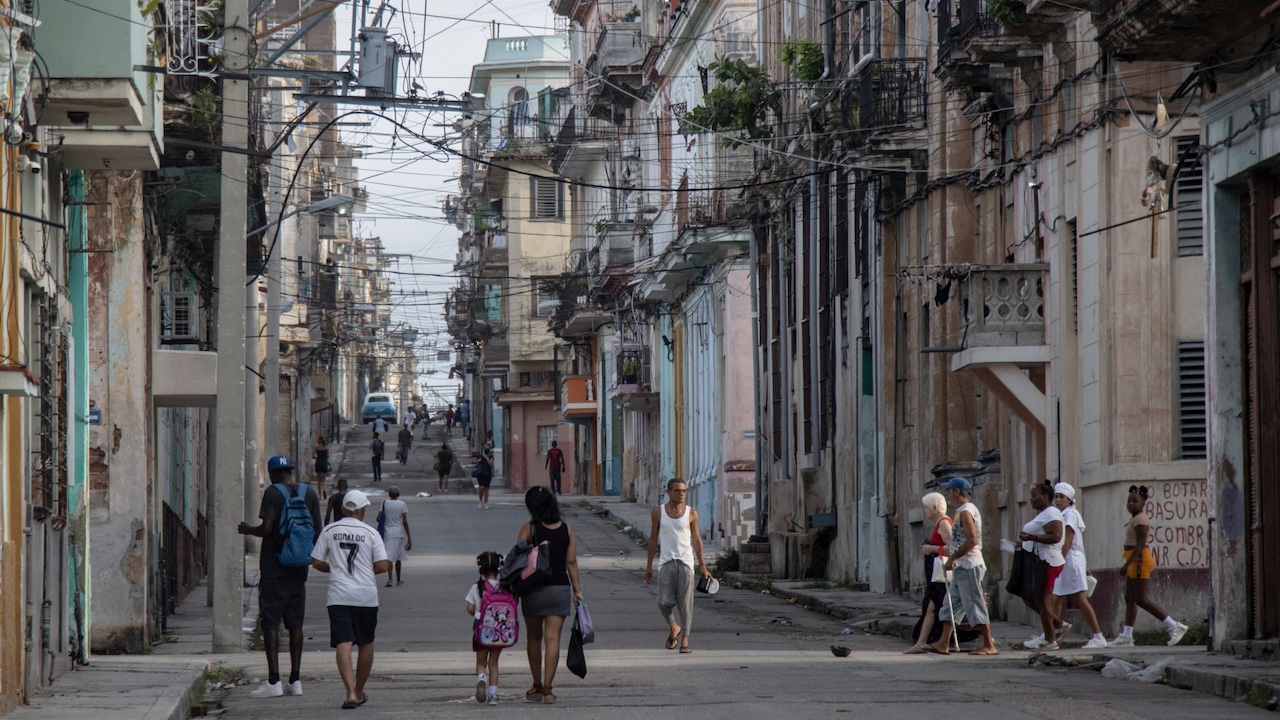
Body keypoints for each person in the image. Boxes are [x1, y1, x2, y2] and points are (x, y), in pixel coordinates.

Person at [237, 455, 322, 698]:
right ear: (290, 471)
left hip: (274, 569)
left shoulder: (273, 493)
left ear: (273, 473)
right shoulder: (310, 494)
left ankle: (274, 681)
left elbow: (267, 529)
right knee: (296, 625)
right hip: (299, 570)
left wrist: (248, 530)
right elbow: (317, 531)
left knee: (271, 623)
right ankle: (295, 681)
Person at [310, 490, 389, 710]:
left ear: (344, 509)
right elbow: (383, 565)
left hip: (338, 595)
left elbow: (316, 562)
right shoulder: (371, 533)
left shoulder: (330, 530)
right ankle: (360, 689)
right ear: (363, 510)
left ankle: (350, 692)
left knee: (343, 642)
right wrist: (366, 570)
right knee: (366, 642)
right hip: (366, 596)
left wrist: (335, 569)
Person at [517, 487, 583, 704]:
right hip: (559, 589)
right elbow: (571, 562)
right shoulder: (567, 530)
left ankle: (535, 686)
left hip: (533, 590)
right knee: (553, 638)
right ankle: (548, 689)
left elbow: (518, 559)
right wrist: (577, 590)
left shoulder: (529, 529)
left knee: (534, 638)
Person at [926, 476, 998, 656]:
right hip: (962, 566)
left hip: (969, 565)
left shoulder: (966, 511)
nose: (947, 494)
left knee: (974, 603)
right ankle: (943, 643)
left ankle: (989, 643)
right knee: (950, 605)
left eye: (949, 491)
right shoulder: (961, 511)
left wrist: (952, 558)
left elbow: (972, 540)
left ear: (957, 491)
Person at [1111, 485, 1189, 647]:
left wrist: (1128, 563)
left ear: (1143, 502)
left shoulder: (1141, 519)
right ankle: (1126, 636)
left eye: (1135, 501)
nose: (1131, 504)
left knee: (1141, 599)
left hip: (1139, 559)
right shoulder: (1135, 519)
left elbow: (1140, 544)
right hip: (1134, 559)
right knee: (1130, 598)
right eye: (1129, 501)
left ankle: (1175, 626)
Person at [1036, 482, 1109, 649]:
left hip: (1069, 560)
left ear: (1069, 500)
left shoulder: (1069, 514)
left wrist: (1058, 561)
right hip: (1069, 561)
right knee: (1056, 597)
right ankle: (1049, 636)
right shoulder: (1064, 514)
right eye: (1057, 496)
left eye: (1062, 497)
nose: (1059, 500)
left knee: (1079, 599)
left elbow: (1068, 540)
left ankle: (1098, 636)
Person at [644, 478, 712, 654]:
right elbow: (652, 539)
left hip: (686, 563)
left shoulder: (691, 513)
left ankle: (685, 641)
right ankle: (674, 626)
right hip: (666, 562)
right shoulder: (658, 512)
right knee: (662, 602)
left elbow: (697, 541)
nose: (681, 493)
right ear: (668, 492)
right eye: (677, 491)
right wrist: (649, 566)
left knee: (686, 604)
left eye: (683, 491)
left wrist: (702, 565)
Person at [1019, 481, 1066, 650]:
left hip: (1048, 562)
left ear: (1045, 496)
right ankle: (1058, 624)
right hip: (1039, 560)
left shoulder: (1051, 513)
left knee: (1043, 600)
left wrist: (1032, 538)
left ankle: (1050, 639)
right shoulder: (1043, 513)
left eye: (1034, 496)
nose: (1031, 499)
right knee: (1031, 599)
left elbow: (1055, 536)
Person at [905, 492, 952, 654]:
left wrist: (931, 549)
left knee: (933, 606)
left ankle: (922, 642)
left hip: (941, 575)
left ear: (935, 508)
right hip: (935, 574)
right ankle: (922, 642)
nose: (925, 511)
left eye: (927, 508)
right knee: (931, 607)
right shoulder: (939, 523)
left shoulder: (944, 524)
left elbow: (952, 548)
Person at [465, 551, 510, 705]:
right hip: (499, 632)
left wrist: (478, 615)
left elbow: (470, 609)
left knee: (481, 662)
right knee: (494, 663)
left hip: (481, 630)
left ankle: (481, 678)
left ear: (481, 570)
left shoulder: (476, 587)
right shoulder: (504, 587)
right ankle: (492, 695)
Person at [376, 487, 412, 586]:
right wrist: (409, 538)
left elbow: (378, 518)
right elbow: (404, 522)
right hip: (398, 532)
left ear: (389, 494)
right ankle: (399, 579)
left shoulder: (384, 503)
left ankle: (390, 579)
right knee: (399, 556)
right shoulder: (402, 505)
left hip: (387, 532)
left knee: (389, 556)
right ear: (398, 495)